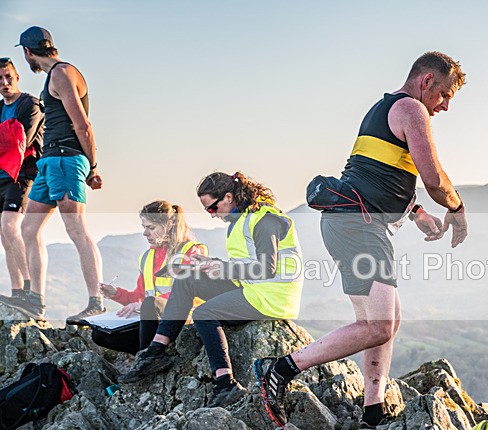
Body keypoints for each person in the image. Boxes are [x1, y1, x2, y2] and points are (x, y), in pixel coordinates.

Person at [254, 51, 468, 429]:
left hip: (351, 222)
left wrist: (415, 213)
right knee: (380, 325)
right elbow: (433, 178)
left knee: (384, 320)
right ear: (426, 82)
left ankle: (373, 408)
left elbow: (378, 175)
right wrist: (458, 209)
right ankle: (281, 369)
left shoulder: (383, 109)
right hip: (359, 225)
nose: (446, 106)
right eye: (446, 94)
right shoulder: (411, 109)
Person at [118, 172, 303, 409]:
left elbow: (266, 269)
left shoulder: (264, 219)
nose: (212, 215)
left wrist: (222, 267)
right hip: (251, 288)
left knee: (204, 313)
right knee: (187, 277)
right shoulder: (241, 220)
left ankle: (226, 383)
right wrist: (208, 263)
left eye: (213, 208)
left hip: (271, 296)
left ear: (228, 196)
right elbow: (244, 263)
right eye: (208, 211)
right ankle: (155, 351)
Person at [4, 27, 104, 323]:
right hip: (50, 162)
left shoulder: (61, 73)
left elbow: (82, 124)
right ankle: (35, 299)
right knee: (28, 230)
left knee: (76, 230)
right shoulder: (55, 75)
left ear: (27, 52)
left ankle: (95, 301)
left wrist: (93, 167)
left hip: (66, 160)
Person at [91, 201, 207, 355]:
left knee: (150, 303)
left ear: (170, 224)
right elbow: (139, 297)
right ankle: (146, 353)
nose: (145, 233)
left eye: (151, 228)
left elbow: (188, 294)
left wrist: (146, 305)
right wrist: (116, 293)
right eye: (144, 227)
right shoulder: (147, 258)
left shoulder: (191, 251)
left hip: (183, 321)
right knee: (99, 335)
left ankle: (145, 361)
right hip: (155, 321)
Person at [0, 57, 43, 303]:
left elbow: (20, 139)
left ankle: (30, 288)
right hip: (0, 175)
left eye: (8, 77)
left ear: (17, 77)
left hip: (20, 174)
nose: (5, 83)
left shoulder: (30, 105)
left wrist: (7, 134)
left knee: (10, 227)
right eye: (0, 79)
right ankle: (17, 292)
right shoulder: (0, 108)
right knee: (4, 236)